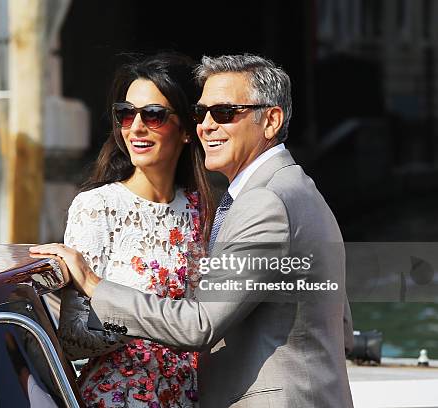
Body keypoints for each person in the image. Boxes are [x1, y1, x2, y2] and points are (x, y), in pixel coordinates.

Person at [32, 54, 354, 408]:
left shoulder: (260, 202)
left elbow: (200, 325)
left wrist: (96, 286)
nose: (208, 125)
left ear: (271, 120)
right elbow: (343, 326)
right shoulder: (292, 189)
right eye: (202, 113)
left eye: (225, 113)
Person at [52, 53, 214, 408]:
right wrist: (154, 320)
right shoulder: (97, 206)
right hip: (121, 398)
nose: (136, 127)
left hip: (193, 395)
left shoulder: (204, 208)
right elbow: (73, 338)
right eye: (126, 113)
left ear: (187, 129)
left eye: (153, 115)